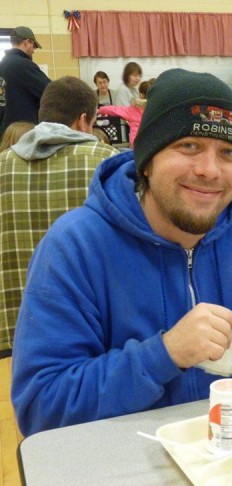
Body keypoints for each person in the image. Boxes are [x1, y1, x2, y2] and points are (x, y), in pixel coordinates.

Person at [11, 69, 232, 436]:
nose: (209, 170)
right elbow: (41, 407)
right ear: (146, 159)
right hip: (125, 461)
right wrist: (164, 354)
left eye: (227, 152)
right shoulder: (75, 247)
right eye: (188, 146)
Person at [0, 76, 120, 358]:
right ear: (83, 121)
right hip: (91, 327)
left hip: (12, 326)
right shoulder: (108, 162)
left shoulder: (2, 165)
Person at [0, 26, 51, 137]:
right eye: (34, 46)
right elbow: (51, 92)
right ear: (27, 42)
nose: (33, 51)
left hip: (5, 133)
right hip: (23, 133)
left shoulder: (2, 64)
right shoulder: (23, 65)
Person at [98, 78, 155, 147]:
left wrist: (100, 110)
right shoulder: (161, 109)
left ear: (141, 95)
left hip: (137, 149)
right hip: (157, 147)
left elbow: (114, 109)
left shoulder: (134, 110)